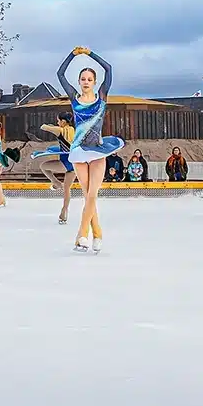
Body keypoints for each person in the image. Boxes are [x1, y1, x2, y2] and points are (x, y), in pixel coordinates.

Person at [58, 46, 123, 253]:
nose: (86, 82)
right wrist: (72, 55)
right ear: (79, 82)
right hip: (79, 150)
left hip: (97, 150)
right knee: (87, 195)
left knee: (92, 194)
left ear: (94, 82)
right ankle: (97, 235)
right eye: (83, 79)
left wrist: (89, 54)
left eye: (89, 79)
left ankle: (81, 235)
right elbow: (60, 74)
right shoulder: (74, 98)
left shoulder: (102, 97)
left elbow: (108, 68)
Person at [32, 113, 76, 224]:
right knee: (67, 188)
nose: (57, 123)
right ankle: (64, 212)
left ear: (63, 121)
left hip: (65, 162)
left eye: (58, 121)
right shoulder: (73, 130)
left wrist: (50, 126)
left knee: (43, 166)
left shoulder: (60, 130)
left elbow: (44, 127)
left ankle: (56, 182)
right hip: (75, 164)